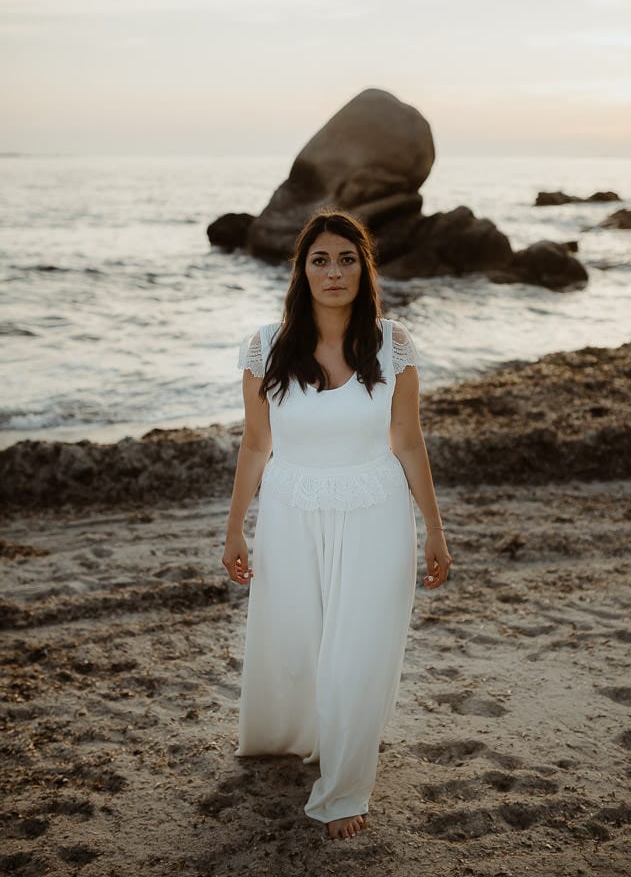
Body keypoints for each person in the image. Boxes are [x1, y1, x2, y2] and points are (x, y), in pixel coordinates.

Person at [221, 208, 452, 840]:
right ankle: (294, 734)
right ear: (301, 270)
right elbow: (254, 444)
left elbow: (408, 440)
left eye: (347, 258)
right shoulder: (265, 345)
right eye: (319, 259)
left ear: (364, 268)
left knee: (360, 649)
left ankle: (345, 791)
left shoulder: (392, 342)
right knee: (296, 643)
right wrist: (235, 528)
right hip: (292, 511)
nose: (334, 271)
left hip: (377, 510)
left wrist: (434, 528)